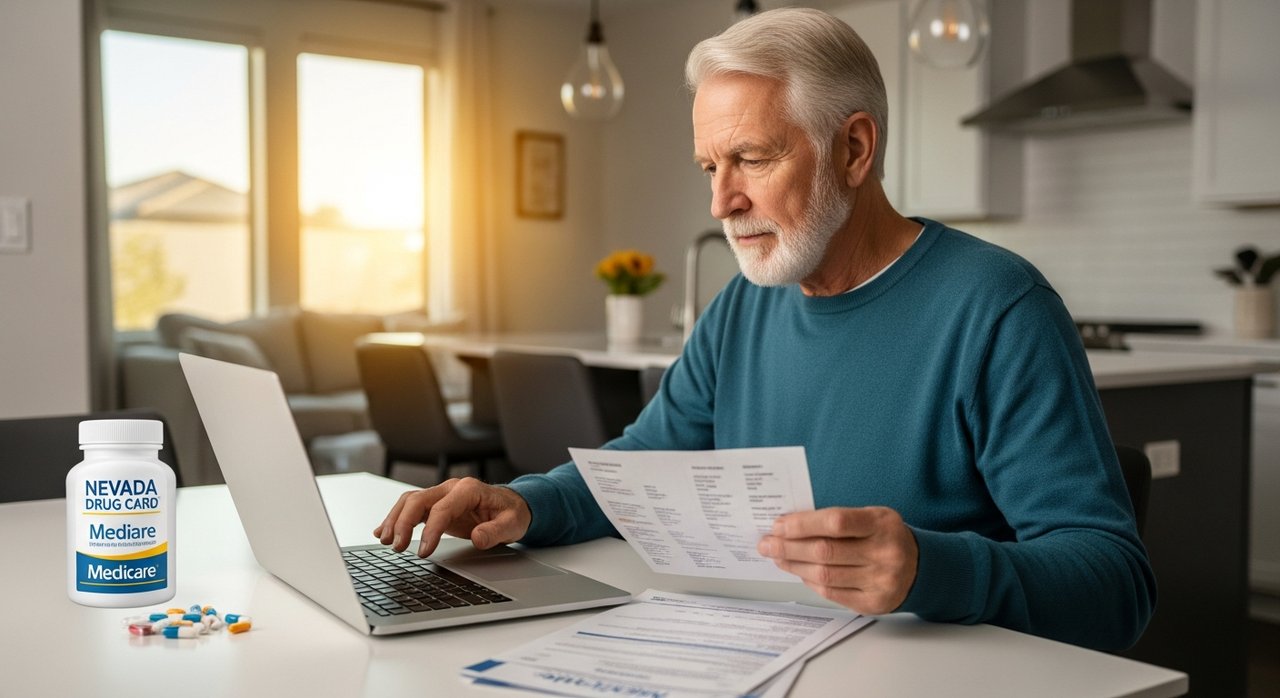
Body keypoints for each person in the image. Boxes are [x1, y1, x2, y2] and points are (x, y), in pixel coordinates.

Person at [375, 7, 1155, 652]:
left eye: (749, 158)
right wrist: (522, 502)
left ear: (853, 149)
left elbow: (1116, 584)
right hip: (758, 655)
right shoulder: (745, 306)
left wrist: (930, 568)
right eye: (709, 168)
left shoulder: (996, 306)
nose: (721, 204)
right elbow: (640, 468)